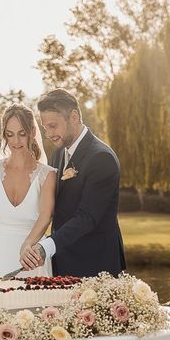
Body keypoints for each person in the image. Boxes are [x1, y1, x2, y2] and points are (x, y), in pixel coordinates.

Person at [20, 88, 126, 277]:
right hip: (62, 262)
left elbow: (87, 217)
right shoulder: (59, 153)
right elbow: (50, 203)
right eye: (45, 128)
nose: (49, 134)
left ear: (74, 117)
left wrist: (46, 247)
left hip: (96, 266)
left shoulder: (102, 158)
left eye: (53, 126)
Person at [0, 103, 57, 277]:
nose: (15, 141)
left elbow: (46, 215)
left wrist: (27, 244)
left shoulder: (47, 175)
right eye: (10, 135)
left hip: (31, 262)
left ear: (32, 132)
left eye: (21, 134)